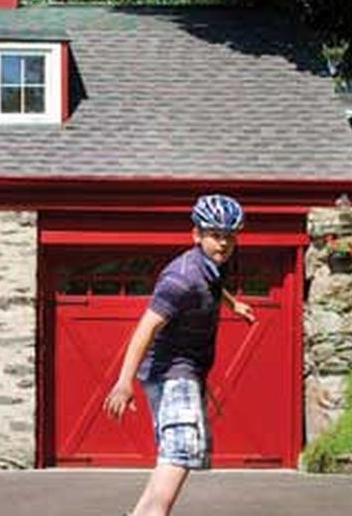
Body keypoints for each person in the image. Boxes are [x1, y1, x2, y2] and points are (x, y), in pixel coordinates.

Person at [103, 194, 257, 516]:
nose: (224, 244)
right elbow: (145, 329)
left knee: (175, 455)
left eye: (230, 236)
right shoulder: (181, 279)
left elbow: (214, 287)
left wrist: (234, 305)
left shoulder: (212, 265)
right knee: (181, 451)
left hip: (185, 373)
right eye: (216, 235)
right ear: (196, 235)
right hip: (172, 374)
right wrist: (122, 382)